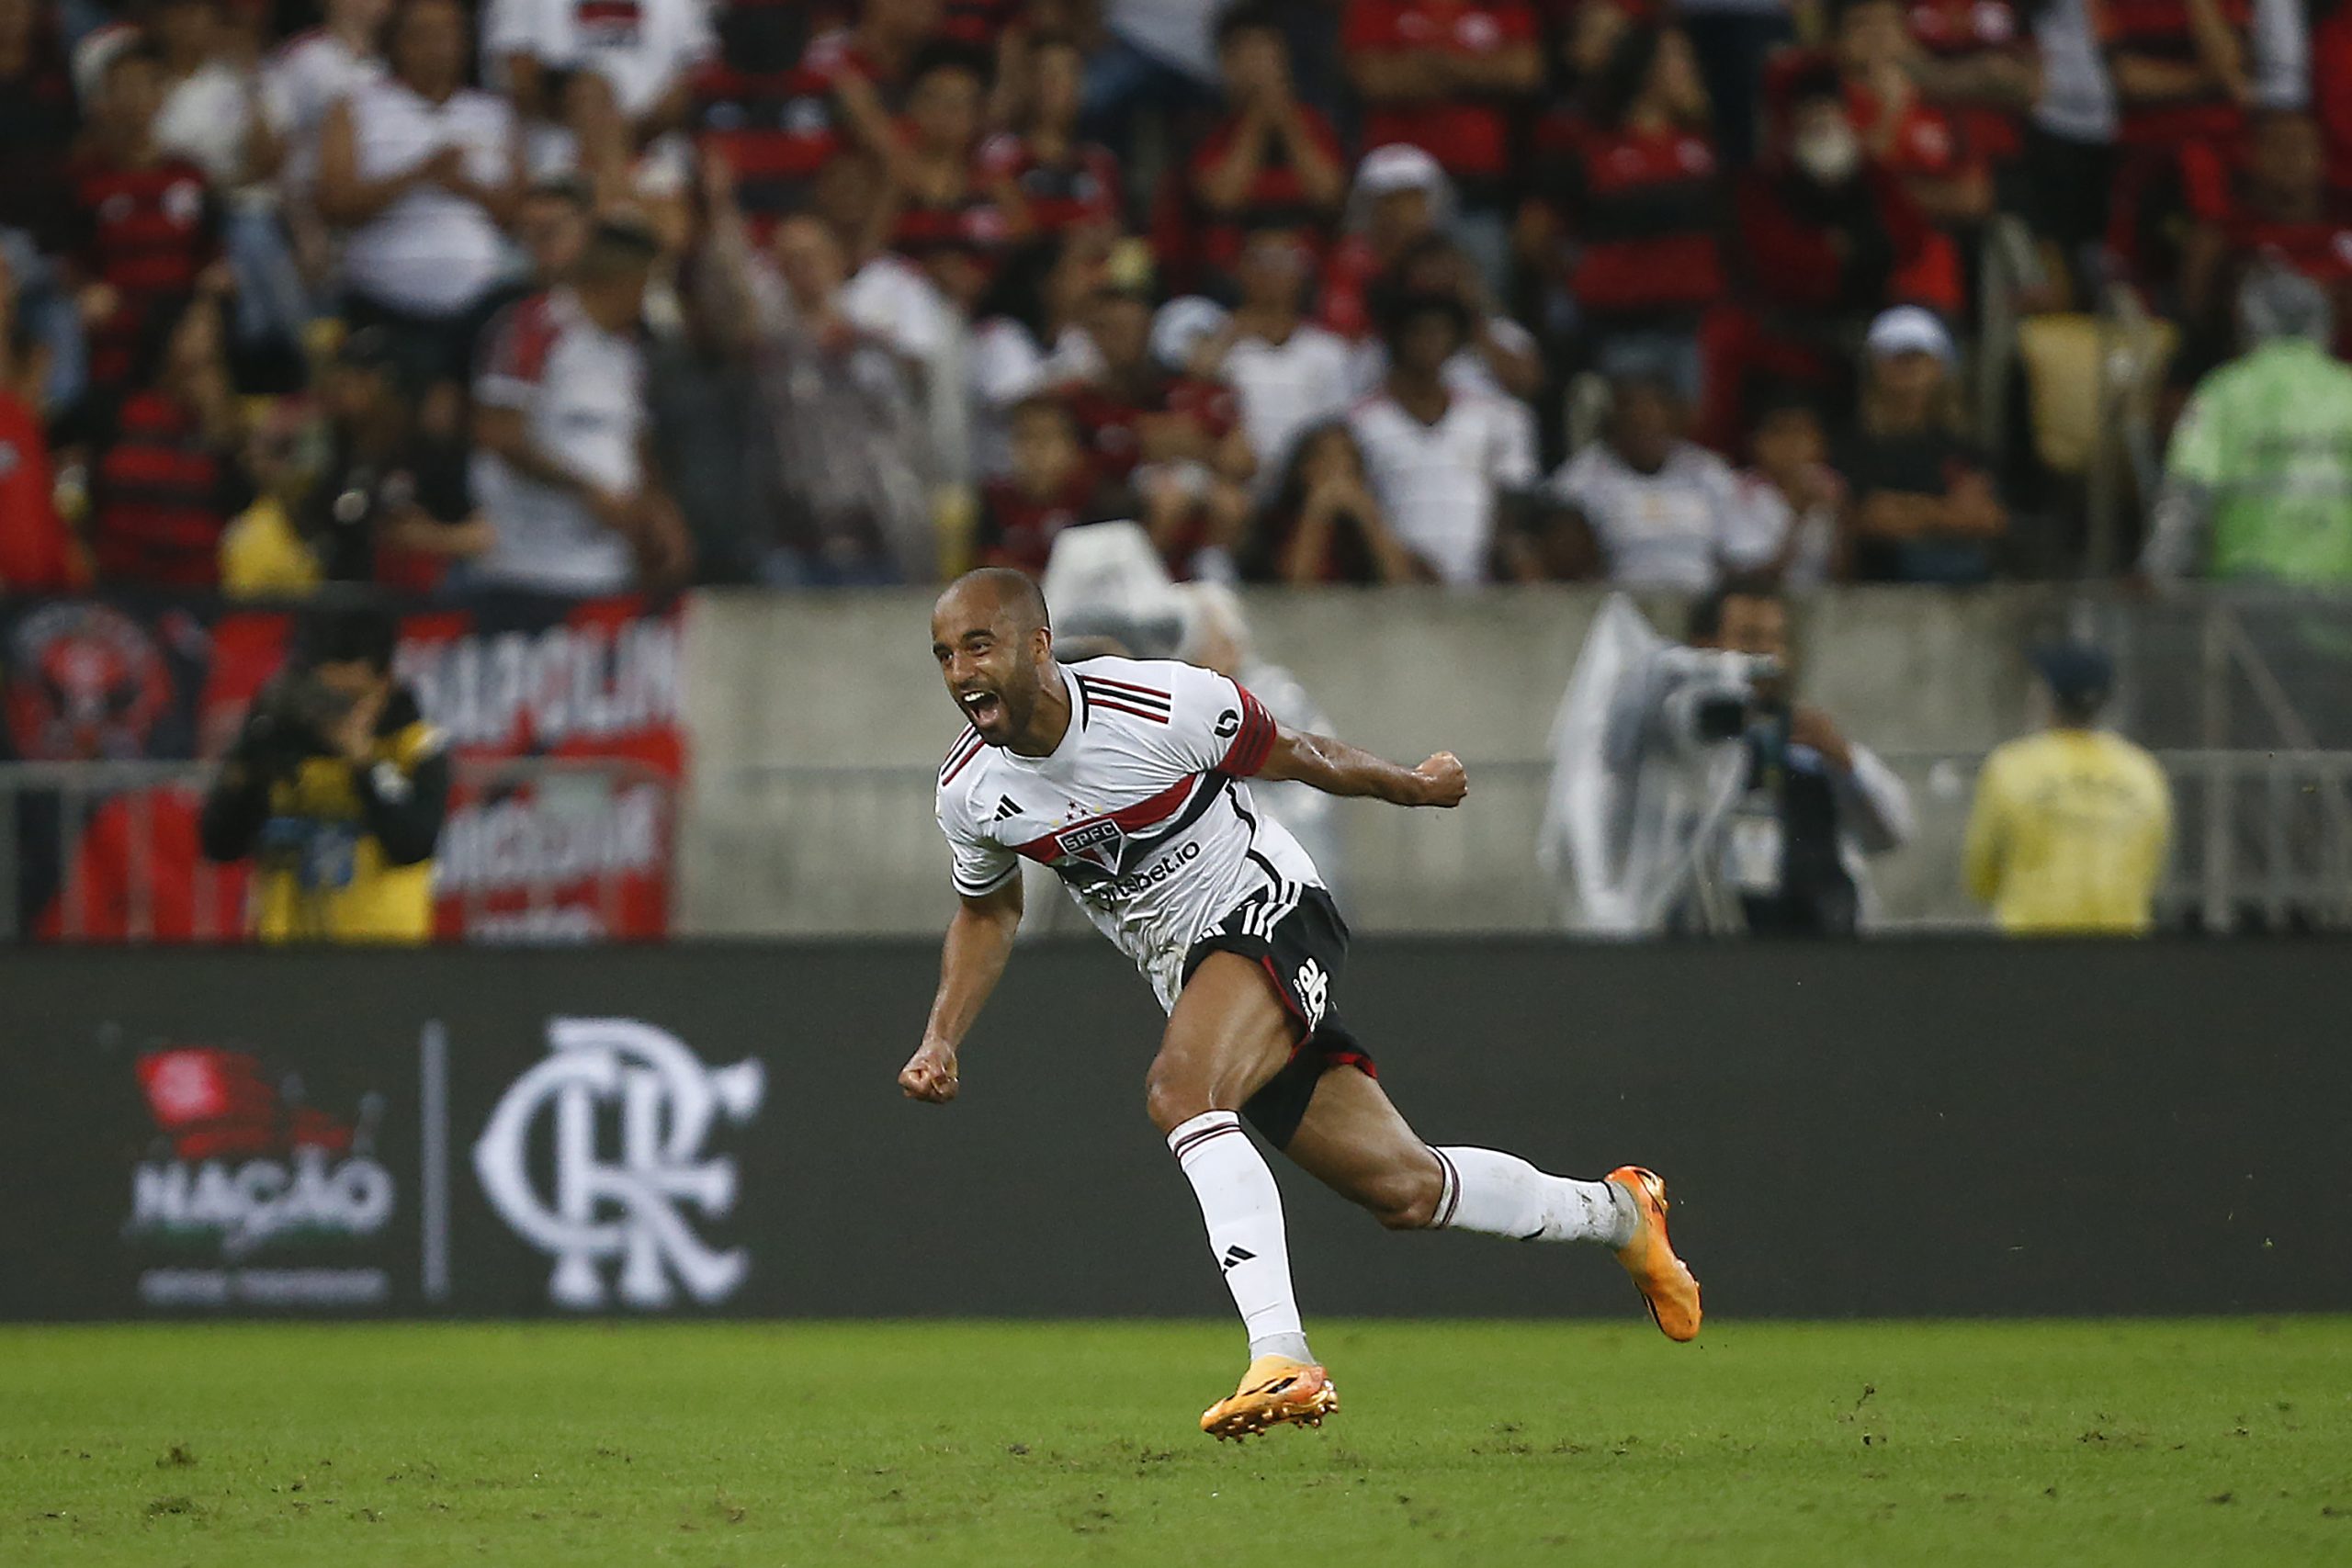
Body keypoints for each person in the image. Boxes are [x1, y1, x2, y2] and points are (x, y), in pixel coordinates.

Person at [904, 568, 1700, 1440]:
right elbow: (987, 909)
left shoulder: (1163, 704)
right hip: (1200, 979)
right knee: (1405, 1187)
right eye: (945, 654)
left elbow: (1302, 753)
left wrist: (1412, 785)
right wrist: (943, 1035)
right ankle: (1622, 1212)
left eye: (978, 645)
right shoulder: (970, 791)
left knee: (1180, 1091)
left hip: (1272, 910)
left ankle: (1281, 1355)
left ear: (1038, 645)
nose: (959, 671)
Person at [198, 603, 449, 942]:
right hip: (284, 960)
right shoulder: (280, 741)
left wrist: (364, 764)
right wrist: (250, 759)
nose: (339, 712)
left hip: (383, 958)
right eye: (327, 695)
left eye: (353, 697)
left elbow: (412, 843)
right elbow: (220, 844)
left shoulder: (415, 747)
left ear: (385, 680)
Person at [470, 215, 692, 595]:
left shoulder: (626, 350)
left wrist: (657, 509)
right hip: (529, 564)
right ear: (627, 281)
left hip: (608, 565)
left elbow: (632, 440)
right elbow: (499, 434)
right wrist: (587, 491)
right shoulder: (536, 328)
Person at [317, 0, 524, 399]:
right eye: (422, 35)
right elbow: (334, 204)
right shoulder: (356, 108)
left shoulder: (494, 114)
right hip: (384, 306)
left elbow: (519, 213)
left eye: (448, 34)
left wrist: (466, 187)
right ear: (395, 43)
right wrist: (417, 175)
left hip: (481, 309)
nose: (437, 46)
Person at [1686, 576, 1914, 934]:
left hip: (1817, 941)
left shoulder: (1809, 741)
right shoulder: (1681, 746)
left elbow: (1891, 833)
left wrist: (1842, 757)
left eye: (1775, 640)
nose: (1765, 656)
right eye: (1748, 639)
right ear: (1703, 648)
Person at [2143, 268, 2352, 587]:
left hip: (2247, 592)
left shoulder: (2224, 392)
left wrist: (2157, 575)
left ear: (2247, 322)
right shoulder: (2346, 390)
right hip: (2342, 598)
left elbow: (2186, 497)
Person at [1962, 641, 2171, 933]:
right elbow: (2153, 867)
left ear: (2046, 698)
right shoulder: (2143, 771)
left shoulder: (2010, 767)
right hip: (2122, 942)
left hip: (2030, 943)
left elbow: (1980, 872)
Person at [1345, 290, 1538, 584]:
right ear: (1397, 340)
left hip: (1478, 582)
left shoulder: (1488, 416)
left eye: (1439, 332)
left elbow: (1509, 492)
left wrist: (1500, 555)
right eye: (1418, 332)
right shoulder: (1361, 422)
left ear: (1454, 342)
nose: (1429, 343)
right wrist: (1396, 559)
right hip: (1397, 582)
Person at [1540, 374, 1763, 590]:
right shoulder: (1580, 478)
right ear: (1613, 423)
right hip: (1617, 605)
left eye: (1654, 424)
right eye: (1635, 425)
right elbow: (1560, 558)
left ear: (1674, 422)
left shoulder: (1707, 471)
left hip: (1702, 604)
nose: (1646, 433)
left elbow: (1741, 555)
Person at [1837, 306, 2007, 582]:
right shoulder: (1855, 444)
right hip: (1877, 591)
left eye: (1919, 357)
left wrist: (1910, 510)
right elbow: (1871, 518)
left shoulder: (1963, 446)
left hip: (1963, 591)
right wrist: (1948, 513)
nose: (1910, 368)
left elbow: (1988, 518)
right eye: (1898, 358)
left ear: (1940, 366)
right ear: (1874, 366)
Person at [1242, 420, 1425, 583]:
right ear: (1303, 467)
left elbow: (1401, 584)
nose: (1338, 470)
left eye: (1347, 459)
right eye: (1326, 459)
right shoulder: (1273, 523)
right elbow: (1293, 589)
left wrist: (1368, 518)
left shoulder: (1364, 528)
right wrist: (1317, 513)